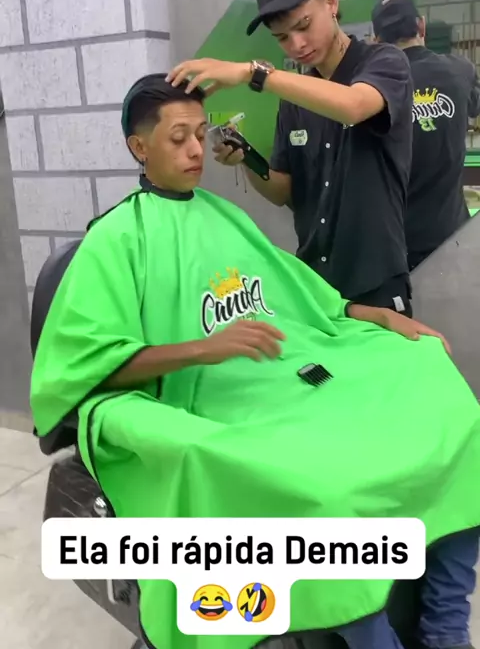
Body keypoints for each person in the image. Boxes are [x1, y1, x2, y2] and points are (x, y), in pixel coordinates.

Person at [30, 75, 480, 649]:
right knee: (328, 497)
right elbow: (88, 366)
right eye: (177, 139)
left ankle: (444, 627)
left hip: (281, 376)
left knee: (442, 397)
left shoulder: (224, 216)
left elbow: (303, 296)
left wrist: (375, 315)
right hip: (211, 405)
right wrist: (205, 348)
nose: (196, 151)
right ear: (139, 147)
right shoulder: (116, 241)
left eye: (200, 134)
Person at [166, 0, 416, 317]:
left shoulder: (385, 62)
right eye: (282, 37)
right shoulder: (294, 99)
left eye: (304, 25)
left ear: (330, 2)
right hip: (314, 285)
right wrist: (247, 159)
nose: (297, 45)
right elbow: (284, 191)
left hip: (375, 283)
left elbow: (353, 105)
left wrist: (253, 74)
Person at [372, 0, 480, 271]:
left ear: (376, 41)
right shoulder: (460, 70)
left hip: (395, 245)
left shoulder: (370, 90)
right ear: (421, 26)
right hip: (453, 236)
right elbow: (475, 106)